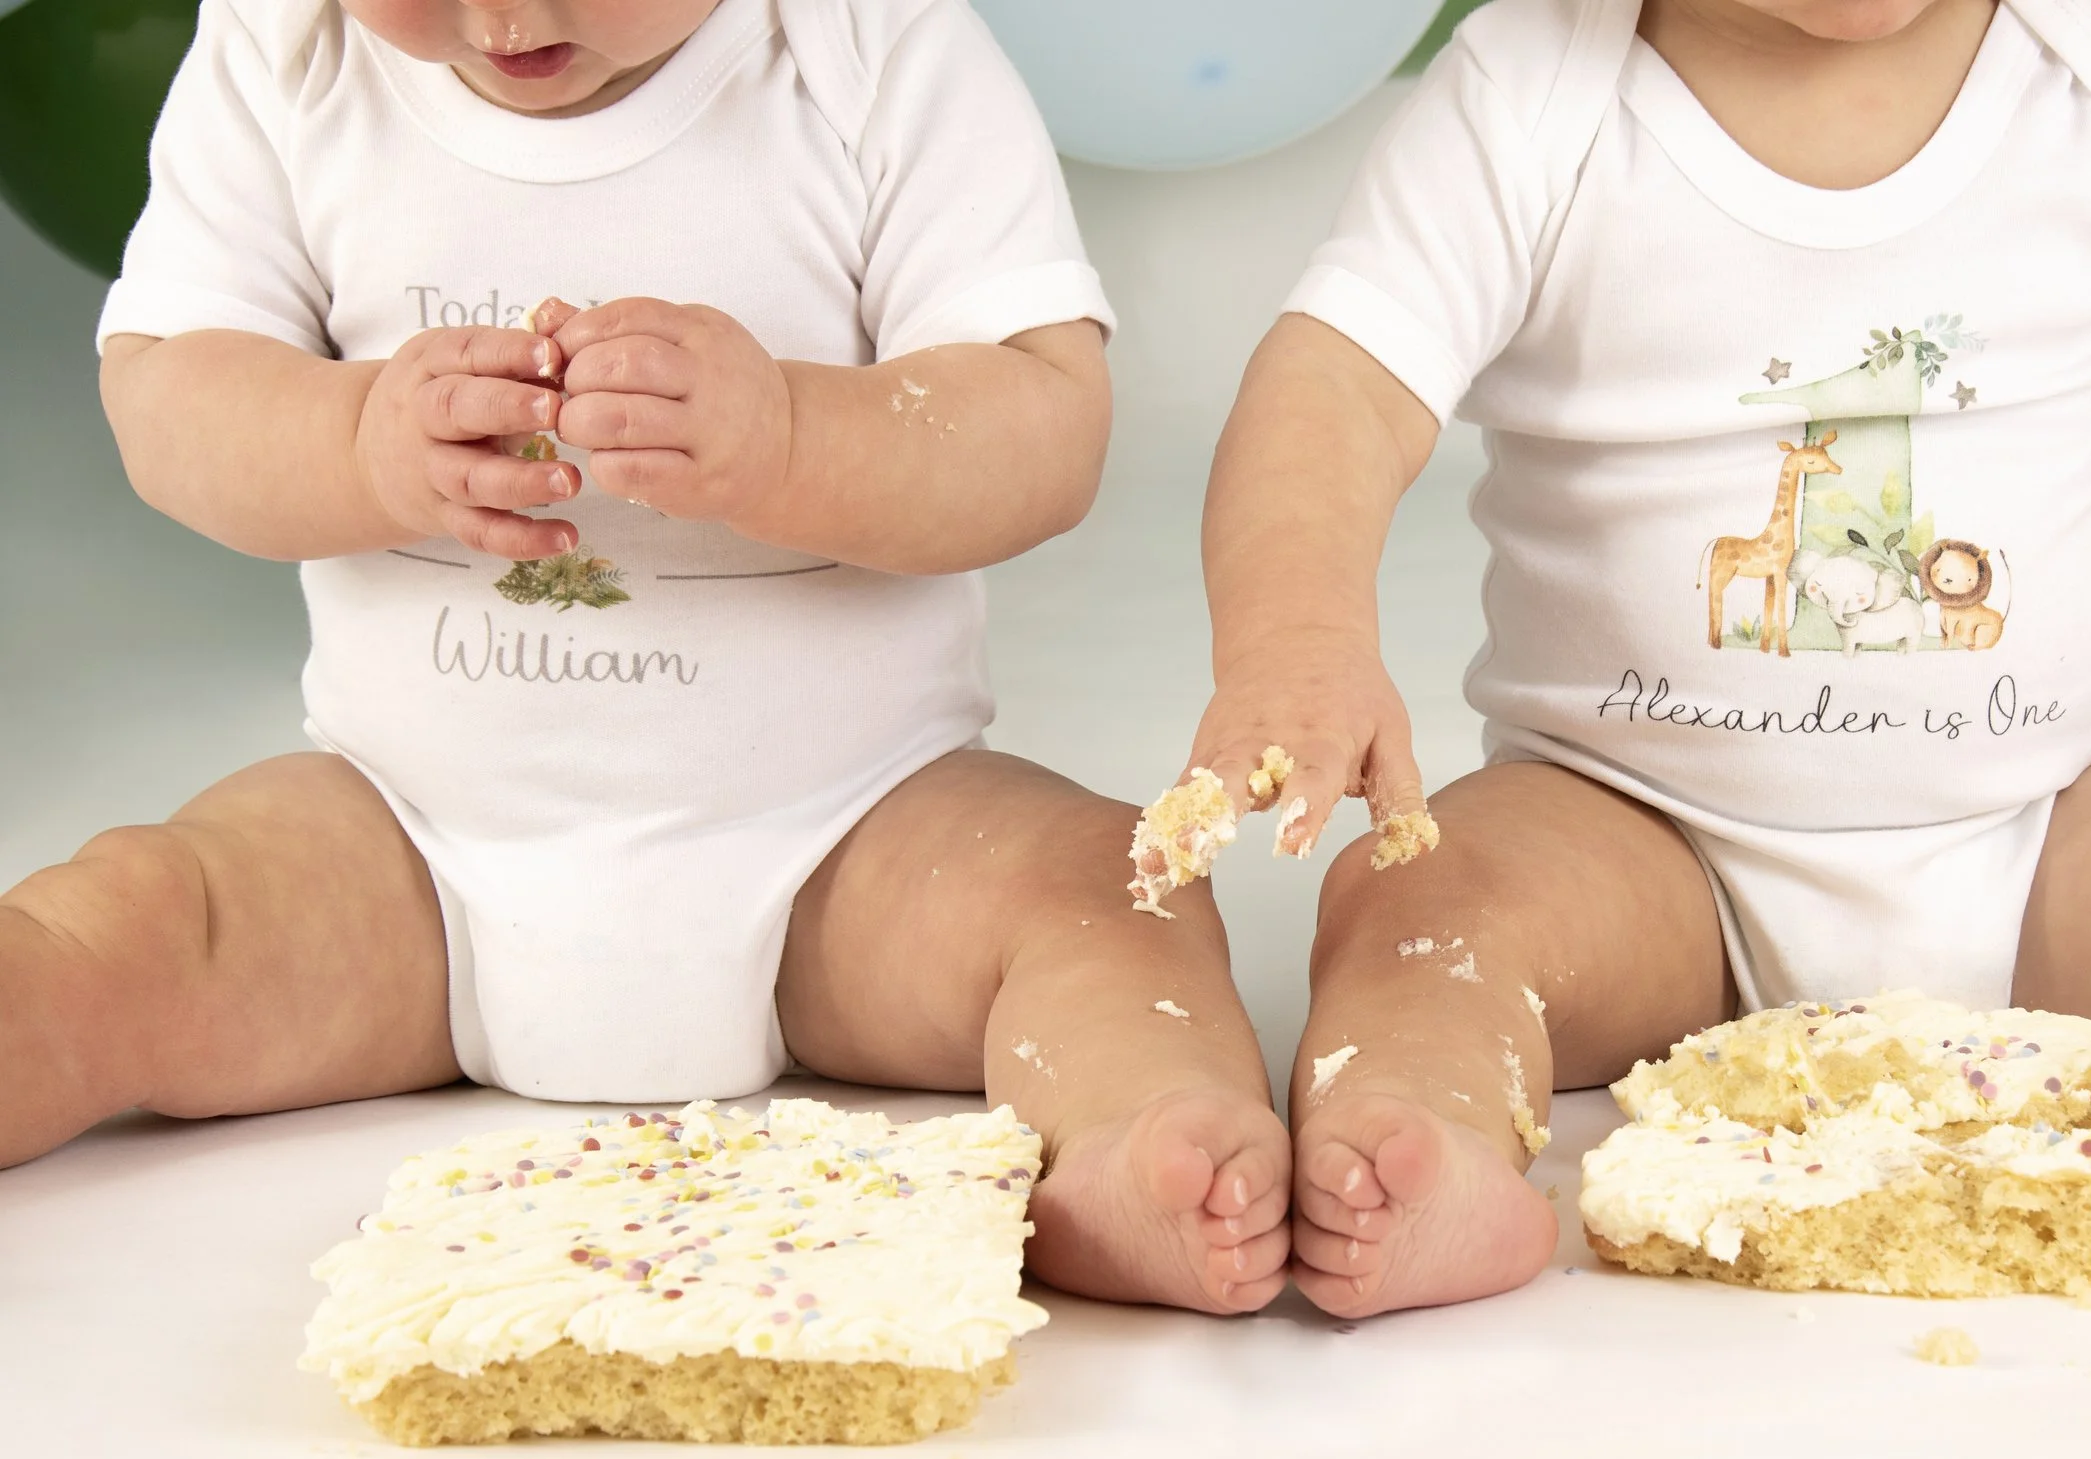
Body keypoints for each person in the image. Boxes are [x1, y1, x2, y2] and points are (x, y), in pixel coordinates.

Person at [1180, 0, 2091, 1316]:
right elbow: (1338, 388)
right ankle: (1422, 1144)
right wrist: (1300, 640)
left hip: (2046, 839)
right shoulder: (1530, 95)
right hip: (1635, 841)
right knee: (1420, 909)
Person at [0, 0, 1293, 1315]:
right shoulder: (285, 52)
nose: (500, 16)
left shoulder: (873, 48)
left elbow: (1041, 422)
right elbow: (167, 395)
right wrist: (355, 443)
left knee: (1110, 895)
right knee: (144, 919)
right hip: (403, 848)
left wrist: (793, 433)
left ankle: (1129, 1149)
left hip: (852, 839)